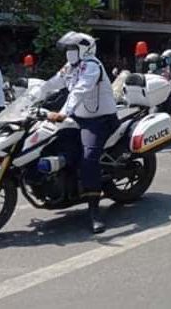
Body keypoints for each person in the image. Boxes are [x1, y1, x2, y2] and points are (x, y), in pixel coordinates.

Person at [45, 32, 118, 234]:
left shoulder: (92, 67)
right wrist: (29, 96)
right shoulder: (70, 68)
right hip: (78, 118)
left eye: (72, 49)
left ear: (84, 49)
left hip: (99, 121)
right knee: (55, 144)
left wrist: (62, 113)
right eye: (68, 49)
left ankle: (94, 211)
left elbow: (80, 90)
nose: (69, 53)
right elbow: (51, 84)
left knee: (88, 159)